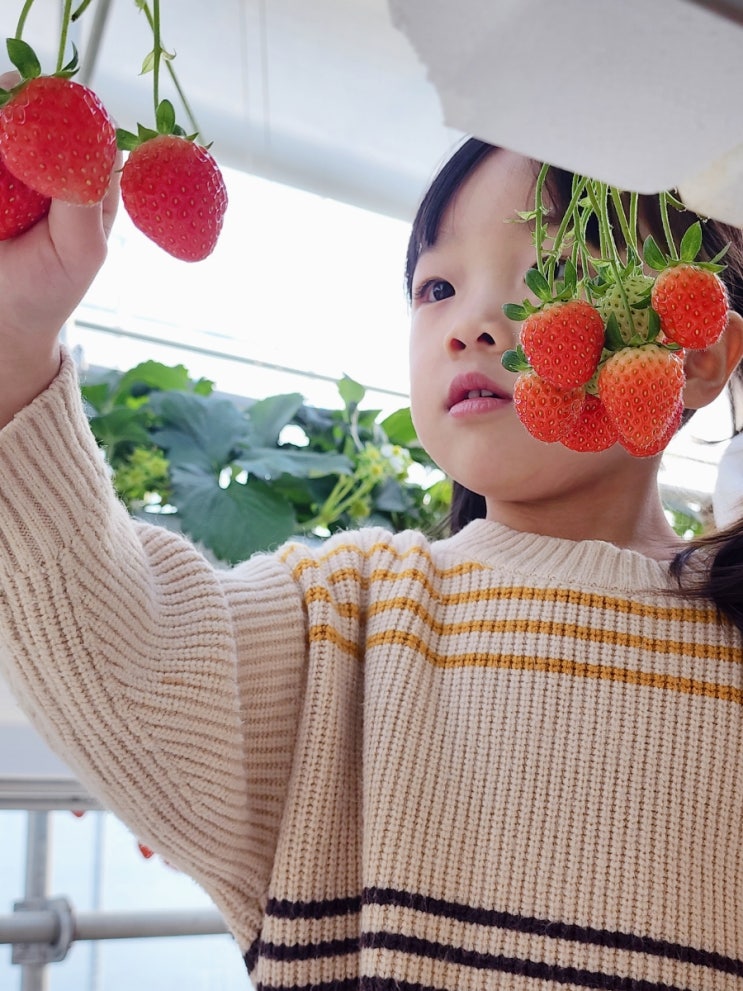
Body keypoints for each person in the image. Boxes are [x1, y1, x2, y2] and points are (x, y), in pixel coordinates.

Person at [1, 133, 742, 991]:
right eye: (437, 287)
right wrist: (16, 344)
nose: (474, 323)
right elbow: (122, 651)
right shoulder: (351, 614)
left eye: (557, 273)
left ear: (694, 357)